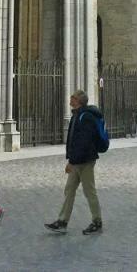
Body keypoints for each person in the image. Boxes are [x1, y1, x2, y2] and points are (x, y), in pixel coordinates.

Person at [45, 90, 104, 235]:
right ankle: (62, 221)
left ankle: (97, 221)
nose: (70, 100)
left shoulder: (86, 117)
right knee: (69, 190)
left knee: (89, 191)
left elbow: (83, 142)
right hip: (77, 160)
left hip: (85, 161)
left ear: (78, 101)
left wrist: (71, 161)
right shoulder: (77, 115)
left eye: (72, 98)